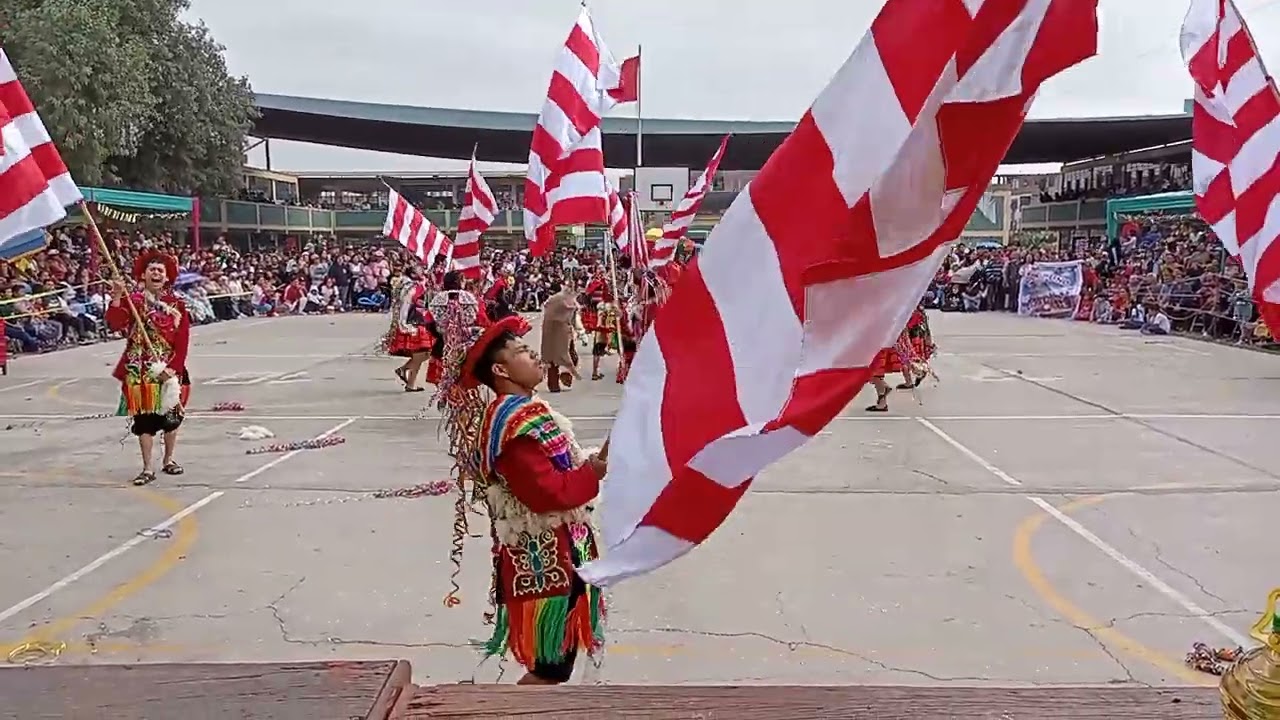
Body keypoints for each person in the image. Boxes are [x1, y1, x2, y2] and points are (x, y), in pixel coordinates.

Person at [434, 307, 608, 686]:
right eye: (522, 352)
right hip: (545, 557)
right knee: (550, 670)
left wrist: (594, 464)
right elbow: (546, 493)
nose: (534, 356)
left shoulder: (526, 411)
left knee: (556, 666)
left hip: (563, 547)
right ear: (501, 371)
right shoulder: (514, 426)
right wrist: (594, 471)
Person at [105, 250, 191, 486]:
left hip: (169, 368)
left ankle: (169, 459)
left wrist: (173, 368)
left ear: (166, 277)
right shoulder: (133, 302)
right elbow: (115, 323)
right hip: (139, 369)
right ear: (143, 275)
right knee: (144, 420)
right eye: (151, 269)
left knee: (172, 417)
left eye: (160, 270)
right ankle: (147, 467)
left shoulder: (177, 305)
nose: (156, 272)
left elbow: (182, 340)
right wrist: (117, 296)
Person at [385, 269, 433, 392]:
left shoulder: (418, 285)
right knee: (421, 354)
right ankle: (410, 383)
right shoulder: (409, 288)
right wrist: (404, 324)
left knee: (425, 354)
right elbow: (404, 307)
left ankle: (406, 373)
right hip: (413, 324)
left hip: (421, 322)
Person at [540, 282, 580, 393]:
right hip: (553, 331)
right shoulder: (557, 299)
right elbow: (569, 308)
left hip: (563, 331)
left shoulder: (564, 299)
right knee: (552, 358)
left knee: (570, 355)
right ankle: (554, 384)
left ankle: (565, 374)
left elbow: (572, 312)